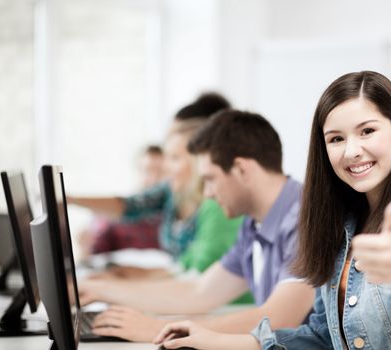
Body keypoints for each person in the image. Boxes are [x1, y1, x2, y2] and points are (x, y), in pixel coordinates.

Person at [152, 71, 391, 350]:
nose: (352, 151)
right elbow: (320, 336)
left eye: (368, 131)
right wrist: (215, 341)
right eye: (336, 139)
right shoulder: (338, 225)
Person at [78, 110, 315, 342]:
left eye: (210, 179)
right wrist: (100, 289)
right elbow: (200, 292)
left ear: (242, 169)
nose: (208, 194)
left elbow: (280, 319)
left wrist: (163, 329)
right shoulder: (254, 224)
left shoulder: (305, 220)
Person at [68, 93, 237, 274]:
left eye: (174, 158)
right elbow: (185, 267)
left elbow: (200, 273)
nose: (164, 168)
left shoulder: (216, 205)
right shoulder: (173, 191)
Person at [77, 144, 166, 259]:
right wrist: (84, 246)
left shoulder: (174, 215)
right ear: (138, 171)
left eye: (161, 172)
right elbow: (92, 256)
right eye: (148, 170)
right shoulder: (114, 214)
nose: (154, 178)